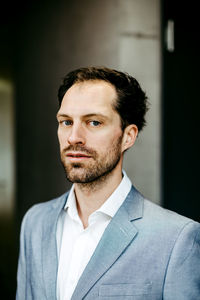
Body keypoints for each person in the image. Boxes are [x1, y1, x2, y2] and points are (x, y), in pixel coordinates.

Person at [16, 67, 200, 300]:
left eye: (93, 122)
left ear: (128, 136)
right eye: (65, 122)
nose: (73, 137)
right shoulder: (35, 222)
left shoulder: (177, 239)